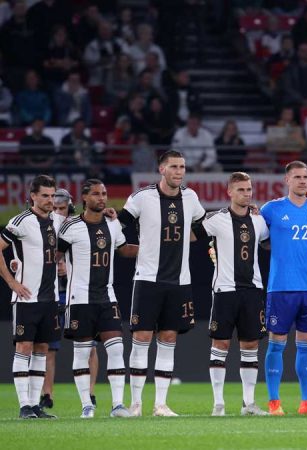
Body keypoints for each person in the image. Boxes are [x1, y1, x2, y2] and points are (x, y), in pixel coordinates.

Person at [119, 150, 206, 416]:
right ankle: (135, 404)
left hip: (179, 282)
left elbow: (203, 228)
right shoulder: (141, 197)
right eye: (174, 167)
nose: (179, 171)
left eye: (182, 167)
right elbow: (118, 225)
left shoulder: (191, 197)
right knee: (141, 338)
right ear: (161, 169)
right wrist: (134, 248)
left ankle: (160, 404)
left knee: (169, 338)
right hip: (147, 279)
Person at [56, 179, 139, 418]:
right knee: (82, 352)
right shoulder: (70, 226)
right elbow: (54, 255)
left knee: (116, 349)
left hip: (107, 297)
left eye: (104, 193)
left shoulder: (112, 224)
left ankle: (117, 405)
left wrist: (152, 248)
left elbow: (124, 250)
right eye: (95, 194)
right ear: (84, 198)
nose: (101, 198)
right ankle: (87, 405)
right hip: (79, 299)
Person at [191, 172, 270, 417]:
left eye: (249, 189)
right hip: (225, 291)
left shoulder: (259, 221)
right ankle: (219, 403)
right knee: (221, 343)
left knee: (250, 344)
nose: (246, 194)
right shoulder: (216, 219)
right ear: (230, 192)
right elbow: (192, 235)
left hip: (253, 290)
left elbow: (267, 242)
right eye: (241, 190)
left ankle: (249, 404)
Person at [259, 161, 307, 416]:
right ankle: (274, 403)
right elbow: (260, 238)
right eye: (298, 177)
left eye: (306, 177)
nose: (303, 181)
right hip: (280, 287)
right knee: (277, 343)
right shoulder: (271, 210)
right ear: (287, 180)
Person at [0, 175, 64, 419]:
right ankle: (24, 405)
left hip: (49, 300)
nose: (50, 200)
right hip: (27, 299)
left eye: (52, 195)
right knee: (24, 347)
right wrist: (11, 281)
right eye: (45, 196)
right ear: (33, 196)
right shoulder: (21, 221)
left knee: (42, 348)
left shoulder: (58, 221)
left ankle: (36, 405)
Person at [39, 189, 80, 410]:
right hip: (52, 293)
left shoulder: (79, 226)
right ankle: (47, 394)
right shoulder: (44, 227)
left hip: (77, 293)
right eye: (54, 209)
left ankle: (89, 396)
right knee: (48, 348)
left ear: (70, 208)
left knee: (87, 345)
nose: (58, 213)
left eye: (62, 209)